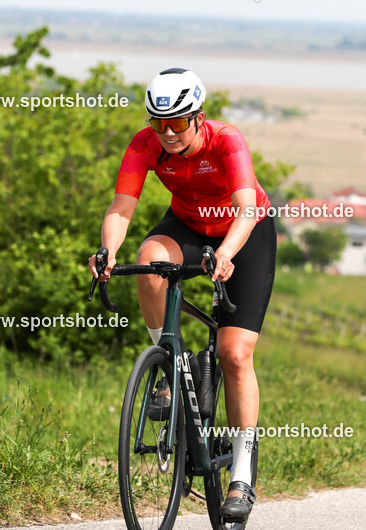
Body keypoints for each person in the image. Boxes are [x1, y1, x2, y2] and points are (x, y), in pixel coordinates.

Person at [89, 67, 276, 521]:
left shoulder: (226, 140)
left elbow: (246, 209)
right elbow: (122, 207)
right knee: (150, 260)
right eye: (159, 124)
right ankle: (171, 366)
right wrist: (107, 251)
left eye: (177, 124)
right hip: (189, 227)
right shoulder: (144, 143)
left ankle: (243, 475)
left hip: (244, 234)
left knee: (234, 354)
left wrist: (227, 253)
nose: (168, 134)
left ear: (198, 116)